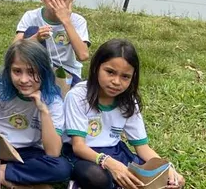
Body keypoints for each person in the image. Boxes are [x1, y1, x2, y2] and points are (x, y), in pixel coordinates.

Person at [64, 39, 184, 189]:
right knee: (98, 178)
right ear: (96, 68)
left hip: (115, 151)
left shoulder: (129, 101)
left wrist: (167, 169)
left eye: (125, 76)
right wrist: (109, 163)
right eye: (110, 72)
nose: (116, 81)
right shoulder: (78, 96)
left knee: (165, 180)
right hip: (82, 155)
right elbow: (78, 146)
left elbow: (143, 148)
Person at [0, 39, 70, 186]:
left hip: (28, 153)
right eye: (17, 71)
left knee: (61, 168)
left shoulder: (53, 101)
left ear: (43, 72)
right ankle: (16, 181)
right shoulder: (0, 88)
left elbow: (52, 152)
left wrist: (43, 110)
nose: (24, 79)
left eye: (32, 72)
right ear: (9, 71)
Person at [13, 0, 90, 84]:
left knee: (77, 95)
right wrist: (36, 38)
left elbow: (83, 55)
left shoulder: (77, 21)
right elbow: (13, 49)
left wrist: (66, 22)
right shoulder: (31, 16)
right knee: (32, 30)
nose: (57, 4)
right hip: (35, 68)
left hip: (65, 70)